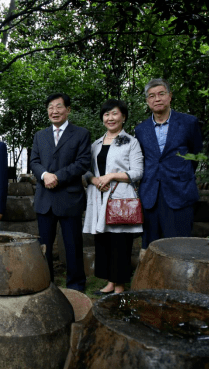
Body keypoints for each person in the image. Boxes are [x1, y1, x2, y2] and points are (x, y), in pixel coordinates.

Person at [135, 78, 203, 258]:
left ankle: (179, 284)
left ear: (170, 96)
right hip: (151, 193)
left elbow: (196, 154)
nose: (157, 99)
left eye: (161, 94)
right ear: (147, 101)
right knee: (151, 247)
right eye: (151, 96)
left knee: (180, 247)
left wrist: (181, 174)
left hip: (180, 191)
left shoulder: (189, 122)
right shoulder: (141, 129)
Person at [30, 93, 90, 292]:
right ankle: (47, 283)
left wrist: (57, 177)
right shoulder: (40, 135)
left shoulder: (81, 134)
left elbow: (82, 163)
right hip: (45, 198)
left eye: (58, 107)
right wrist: (45, 175)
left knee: (72, 244)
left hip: (69, 197)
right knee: (44, 245)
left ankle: (76, 284)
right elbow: (34, 162)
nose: (54, 111)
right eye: (50, 107)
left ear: (68, 110)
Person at [83, 99, 144, 294]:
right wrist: (94, 180)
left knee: (120, 244)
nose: (110, 118)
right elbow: (86, 170)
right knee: (104, 242)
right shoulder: (95, 144)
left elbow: (137, 172)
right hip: (98, 198)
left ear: (123, 117)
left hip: (120, 199)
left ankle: (120, 286)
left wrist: (111, 176)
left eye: (115, 114)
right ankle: (110, 282)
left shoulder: (131, 142)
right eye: (106, 114)